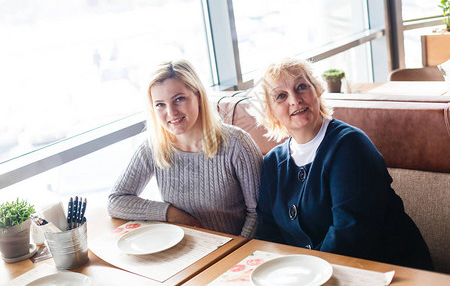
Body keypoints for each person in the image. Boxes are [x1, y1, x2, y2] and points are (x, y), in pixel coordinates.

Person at [252, 58, 433, 270]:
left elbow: (350, 236)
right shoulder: (273, 162)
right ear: (270, 112)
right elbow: (268, 233)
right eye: (281, 96)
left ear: (317, 90)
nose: (295, 100)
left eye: (301, 87)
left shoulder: (350, 146)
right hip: (314, 275)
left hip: (385, 270)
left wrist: (305, 273)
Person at [108, 59, 262, 238]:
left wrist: (236, 250)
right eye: (160, 104)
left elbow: (259, 214)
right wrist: (168, 212)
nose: (171, 113)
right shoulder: (152, 147)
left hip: (234, 253)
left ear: (198, 97)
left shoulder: (238, 144)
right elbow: (116, 201)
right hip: (182, 250)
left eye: (179, 99)